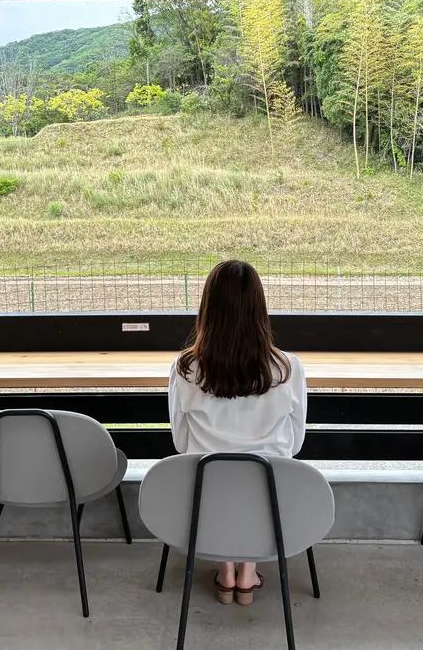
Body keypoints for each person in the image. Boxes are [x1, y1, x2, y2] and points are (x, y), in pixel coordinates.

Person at [168, 259, 307, 606]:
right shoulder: (288, 368)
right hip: (273, 494)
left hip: (204, 494)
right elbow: (295, 440)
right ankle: (248, 572)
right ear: (260, 309)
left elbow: (180, 440)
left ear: (207, 308)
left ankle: (225, 569)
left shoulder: (185, 368)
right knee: (260, 473)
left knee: (215, 473)